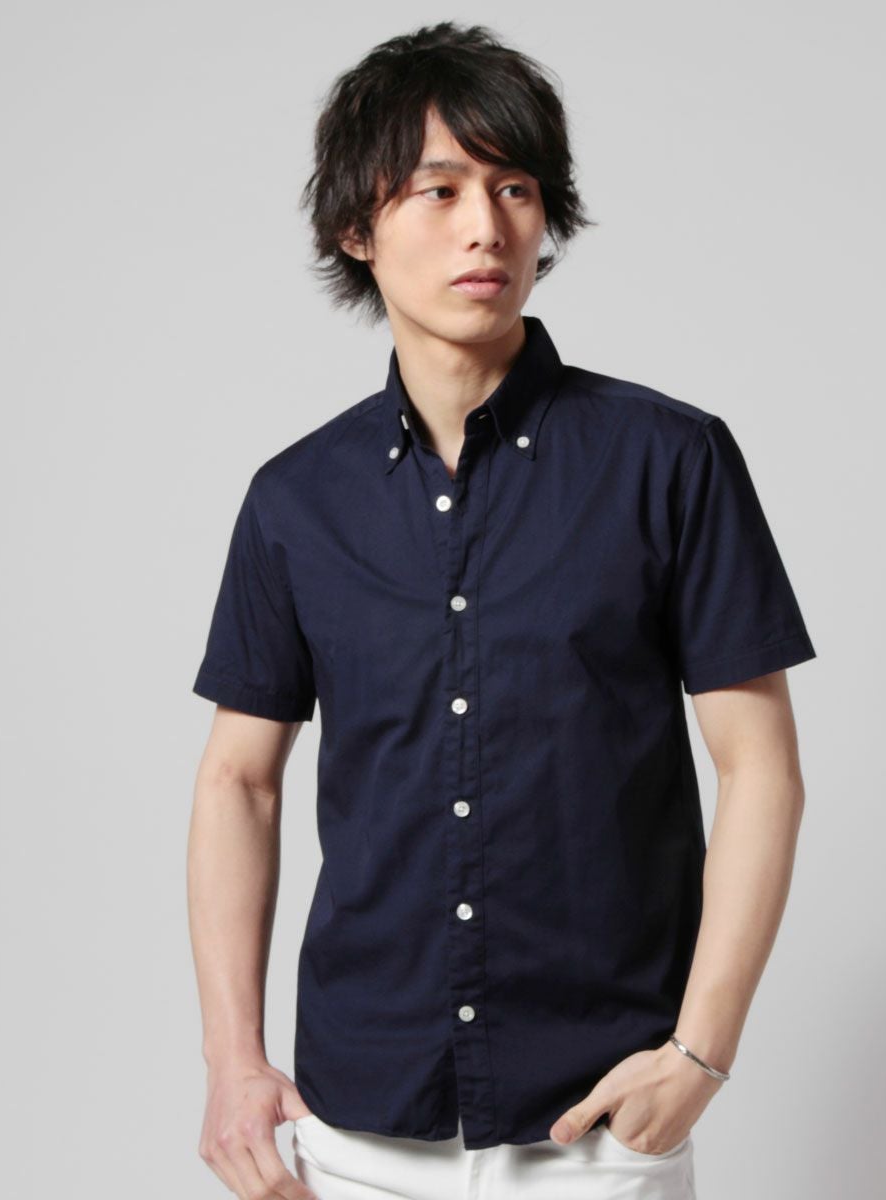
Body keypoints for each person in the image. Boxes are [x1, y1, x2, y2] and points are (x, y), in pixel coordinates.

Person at [187, 20, 817, 1200]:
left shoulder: (668, 460)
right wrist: (232, 1063)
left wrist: (698, 1056)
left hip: (598, 1128)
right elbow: (239, 781)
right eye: (439, 190)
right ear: (356, 228)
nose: (485, 226)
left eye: (514, 188)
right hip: (356, 1121)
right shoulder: (294, 501)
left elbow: (761, 767)